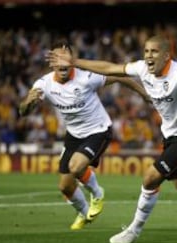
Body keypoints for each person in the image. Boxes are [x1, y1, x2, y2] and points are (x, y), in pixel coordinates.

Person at [47, 35, 177, 243]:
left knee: (151, 178)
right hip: (171, 136)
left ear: (166, 55)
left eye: (154, 52)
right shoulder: (142, 68)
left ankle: (133, 230)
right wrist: (74, 62)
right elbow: (110, 68)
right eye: (146, 51)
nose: (149, 56)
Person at [20, 39, 150, 230]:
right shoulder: (44, 84)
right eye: (58, 58)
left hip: (99, 130)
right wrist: (27, 102)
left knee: (76, 166)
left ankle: (97, 194)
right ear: (52, 63)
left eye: (66, 58)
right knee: (65, 187)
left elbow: (121, 77)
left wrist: (143, 93)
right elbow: (23, 112)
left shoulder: (87, 77)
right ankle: (83, 213)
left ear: (72, 60)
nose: (62, 63)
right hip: (74, 135)